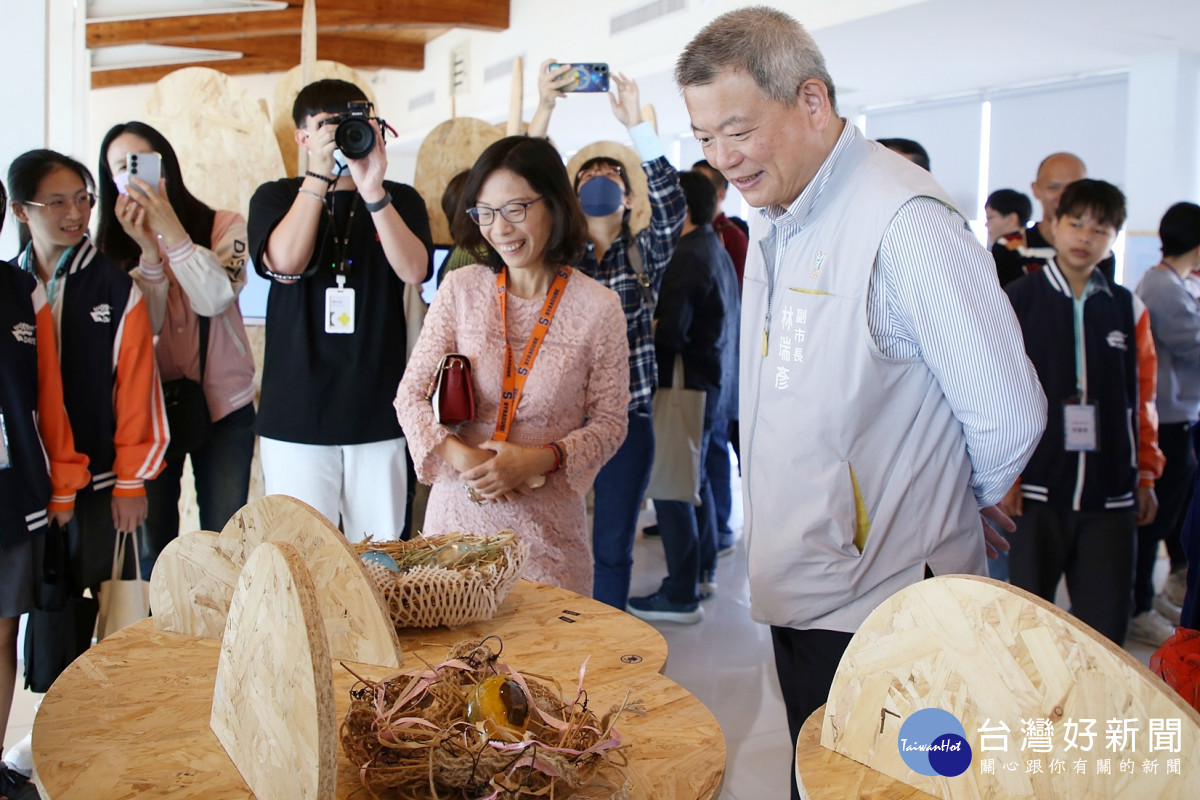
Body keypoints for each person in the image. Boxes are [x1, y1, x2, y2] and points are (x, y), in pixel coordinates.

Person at [674, 9, 1046, 796]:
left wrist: (954, 499)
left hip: (881, 605)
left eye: (735, 131)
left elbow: (1008, 412)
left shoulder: (902, 220)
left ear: (812, 101)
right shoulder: (787, 208)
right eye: (704, 138)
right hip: (806, 582)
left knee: (886, 783)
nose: (720, 158)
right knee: (821, 773)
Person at [395, 135, 630, 595]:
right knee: (453, 666)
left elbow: (610, 423)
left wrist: (538, 459)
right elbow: (410, 397)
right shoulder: (462, 289)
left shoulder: (597, 307)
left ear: (555, 204)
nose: (499, 228)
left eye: (515, 209)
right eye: (484, 212)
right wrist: (468, 460)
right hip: (455, 535)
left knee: (546, 664)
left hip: (548, 540)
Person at [528, 60, 686, 609]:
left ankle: (607, 644)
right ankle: (557, 636)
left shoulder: (646, 249)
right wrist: (544, 109)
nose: (602, 180)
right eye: (589, 176)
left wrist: (635, 128)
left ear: (627, 192)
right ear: (568, 197)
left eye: (612, 174)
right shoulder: (556, 257)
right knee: (549, 540)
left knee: (613, 545)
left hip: (626, 421)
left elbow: (672, 205)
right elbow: (524, 184)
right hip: (558, 423)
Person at [248, 79, 433, 542]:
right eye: (327, 126)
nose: (342, 135)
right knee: (301, 558)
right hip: (296, 411)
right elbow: (285, 260)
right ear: (302, 137)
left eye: (352, 124)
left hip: (378, 409)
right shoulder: (275, 196)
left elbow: (414, 270)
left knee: (384, 554)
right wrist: (317, 178)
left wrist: (373, 191)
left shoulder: (399, 199)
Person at [1003, 179, 1162, 647]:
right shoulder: (1017, 300)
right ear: (1053, 226)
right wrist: (1005, 476)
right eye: (1075, 224)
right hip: (1033, 491)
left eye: (1100, 229)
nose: (1085, 237)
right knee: (1027, 625)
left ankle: (1092, 719)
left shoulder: (1126, 307)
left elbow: (1144, 398)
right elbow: (998, 396)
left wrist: (1147, 476)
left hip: (1110, 494)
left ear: (1114, 237)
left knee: (1105, 627)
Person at [95, 122, 256, 575]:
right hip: (148, 414)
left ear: (166, 165)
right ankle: (159, 641)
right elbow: (143, 329)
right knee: (155, 551)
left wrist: (173, 233)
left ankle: (225, 638)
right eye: (120, 169)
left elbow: (216, 298)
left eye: (142, 163)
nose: (134, 176)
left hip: (226, 407)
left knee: (225, 543)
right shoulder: (107, 247)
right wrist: (148, 252)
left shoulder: (224, 224)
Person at [8, 149, 167, 593]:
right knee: (41, 610)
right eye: (57, 202)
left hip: (101, 480)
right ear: (21, 210)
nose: (75, 213)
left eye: (83, 199)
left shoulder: (114, 287)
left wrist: (131, 482)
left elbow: (137, 388)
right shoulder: (11, 285)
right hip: (27, 478)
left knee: (98, 602)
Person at [0, 179, 90, 800]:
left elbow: (47, 398)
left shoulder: (18, 289)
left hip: (13, 490)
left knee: (2, 632)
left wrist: (61, 488)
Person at [627, 171, 740, 623]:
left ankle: (680, 591)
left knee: (673, 488)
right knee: (698, 483)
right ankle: (703, 571)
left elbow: (670, 334)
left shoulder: (685, 258)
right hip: (710, 381)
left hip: (683, 386)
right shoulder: (712, 245)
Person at [1133, 201, 1200, 640]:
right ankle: (1140, 607)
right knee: (1160, 520)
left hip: (1177, 415)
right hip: (1170, 420)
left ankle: (1150, 601)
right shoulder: (1164, 289)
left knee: (1171, 519)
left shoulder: (1174, 284)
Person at [1027, 152, 1116, 283]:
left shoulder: (1099, 253)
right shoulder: (1010, 247)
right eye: (1053, 187)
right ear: (1036, 189)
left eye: (1073, 189)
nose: (1063, 197)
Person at [691, 159, 749, 287]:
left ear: (721, 194)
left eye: (701, 187)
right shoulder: (685, 230)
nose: (692, 193)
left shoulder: (733, 238)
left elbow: (737, 293)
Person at [985, 188, 1036, 287]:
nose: (986, 224)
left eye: (990, 217)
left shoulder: (1003, 246)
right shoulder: (1035, 242)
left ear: (1013, 218)